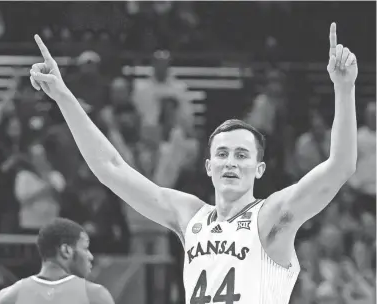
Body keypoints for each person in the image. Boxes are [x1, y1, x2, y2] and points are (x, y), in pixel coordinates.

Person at [29, 22, 358, 304]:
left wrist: (344, 89)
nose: (230, 161)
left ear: (259, 169)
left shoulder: (272, 216)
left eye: (242, 155)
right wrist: (63, 97)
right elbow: (110, 168)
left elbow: (340, 167)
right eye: (222, 154)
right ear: (208, 167)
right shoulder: (189, 215)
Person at [0, 218, 114, 304]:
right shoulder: (95, 295)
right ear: (66, 250)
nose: (90, 256)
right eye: (85, 248)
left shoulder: (9, 296)